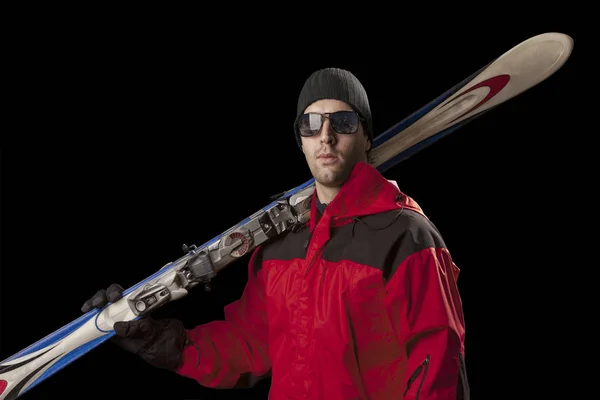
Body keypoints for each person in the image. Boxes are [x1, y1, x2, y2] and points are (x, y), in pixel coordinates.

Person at [83, 67, 470, 399]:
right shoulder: (281, 245)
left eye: (344, 122)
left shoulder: (407, 236)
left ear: (366, 137)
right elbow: (250, 345)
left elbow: (437, 366)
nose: (326, 136)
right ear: (301, 140)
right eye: (312, 123)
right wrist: (161, 343)